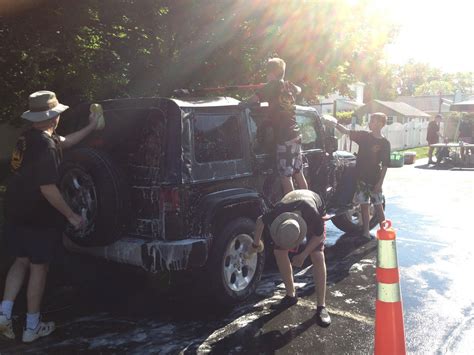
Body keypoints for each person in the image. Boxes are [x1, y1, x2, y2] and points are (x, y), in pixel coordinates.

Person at [0, 90, 98, 342]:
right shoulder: (46, 146)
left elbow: (62, 141)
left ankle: (4, 314)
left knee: (20, 261)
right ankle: (32, 327)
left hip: (13, 210)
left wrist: (90, 127)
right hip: (37, 217)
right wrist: (72, 216)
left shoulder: (28, 137)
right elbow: (47, 188)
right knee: (38, 268)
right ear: (53, 117)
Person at [251, 189, 331, 327]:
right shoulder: (277, 212)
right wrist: (255, 244)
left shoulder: (312, 214)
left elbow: (319, 236)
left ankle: (321, 306)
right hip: (290, 206)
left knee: (317, 256)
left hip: (314, 203)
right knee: (279, 252)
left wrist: (303, 254)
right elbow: (260, 221)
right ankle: (291, 295)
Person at [239, 58, 308, 194]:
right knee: (298, 172)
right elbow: (299, 90)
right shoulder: (288, 85)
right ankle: (309, 202)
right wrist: (293, 87)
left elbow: (253, 99)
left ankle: (293, 208)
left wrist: (241, 104)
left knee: (285, 176)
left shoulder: (270, 86)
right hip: (295, 135)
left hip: (284, 138)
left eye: (267, 73)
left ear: (271, 73)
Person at [329, 112, 390, 239]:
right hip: (362, 177)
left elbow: (385, 164)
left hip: (375, 178)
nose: (371, 123)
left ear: (380, 124)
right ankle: (366, 231)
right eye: (371, 120)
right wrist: (334, 123)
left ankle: (384, 231)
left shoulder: (384, 143)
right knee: (364, 205)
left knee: (378, 205)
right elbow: (346, 131)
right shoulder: (364, 136)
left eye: (374, 121)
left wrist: (380, 183)